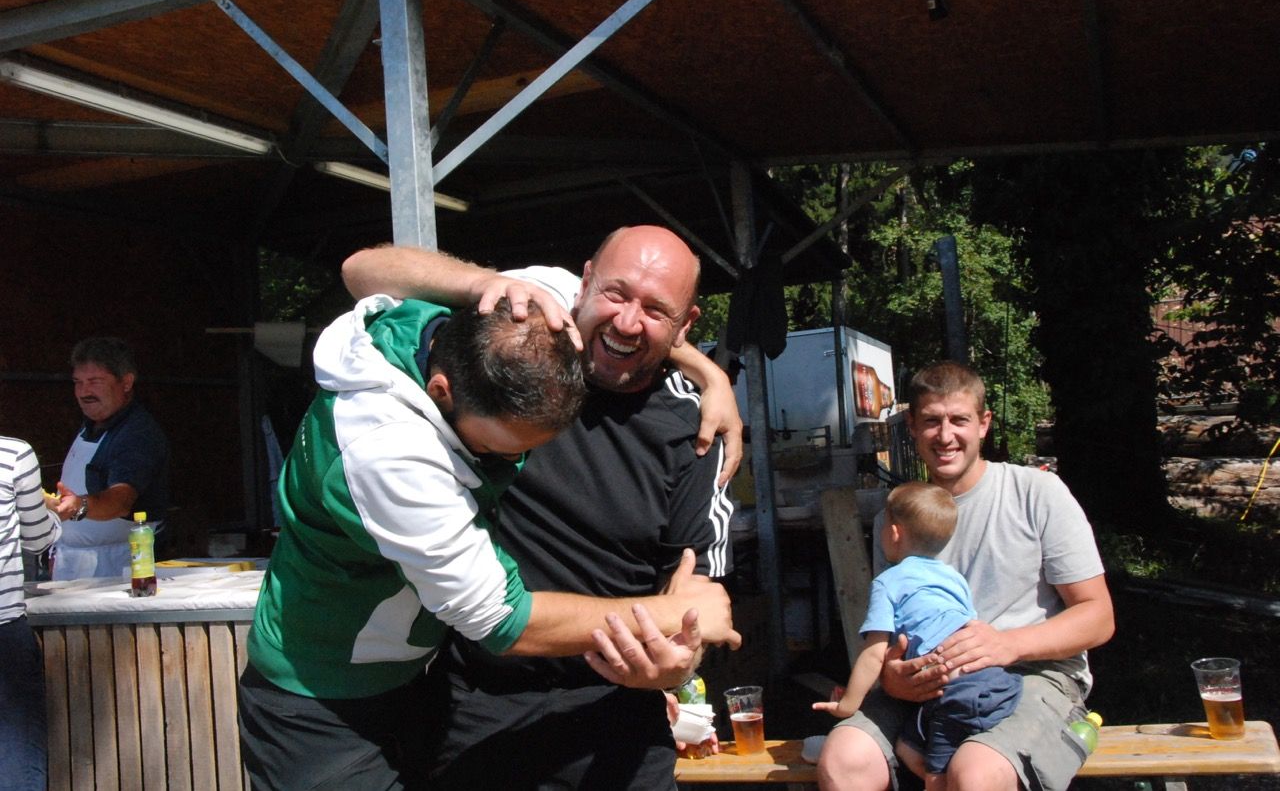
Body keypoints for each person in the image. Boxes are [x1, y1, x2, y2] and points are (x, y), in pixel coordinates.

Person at [238, 293, 737, 790]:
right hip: (321, 700)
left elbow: (627, 311)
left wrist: (710, 375)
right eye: (495, 449)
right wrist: (674, 613)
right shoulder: (386, 455)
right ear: (441, 391)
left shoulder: (471, 320)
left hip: (413, 686)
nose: (510, 467)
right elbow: (502, 619)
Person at [817, 361, 1114, 791]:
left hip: (1031, 676)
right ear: (912, 427)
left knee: (975, 773)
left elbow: (1098, 616)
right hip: (930, 686)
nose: (945, 435)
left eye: (959, 420)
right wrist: (893, 677)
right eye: (931, 421)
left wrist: (1007, 645)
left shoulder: (1036, 493)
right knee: (843, 759)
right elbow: (888, 637)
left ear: (983, 424)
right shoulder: (894, 518)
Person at [813, 481, 1022, 790]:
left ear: (893, 533)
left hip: (954, 694)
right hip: (992, 681)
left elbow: (873, 654)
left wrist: (848, 704)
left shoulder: (889, 582)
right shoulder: (953, 578)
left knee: (937, 777)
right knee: (907, 748)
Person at [50, 337, 170, 580]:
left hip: (117, 567)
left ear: (126, 382)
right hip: (72, 564)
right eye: (78, 382)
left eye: (95, 382)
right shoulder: (91, 425)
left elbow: (121, 499)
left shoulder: (137, 433)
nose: (84, 392)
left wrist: (79, 505)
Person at [1, 434, 63, 790]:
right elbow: (37, 538)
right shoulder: (12, 454)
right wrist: (55, 517)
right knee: (16, 755)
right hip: (4, 629)